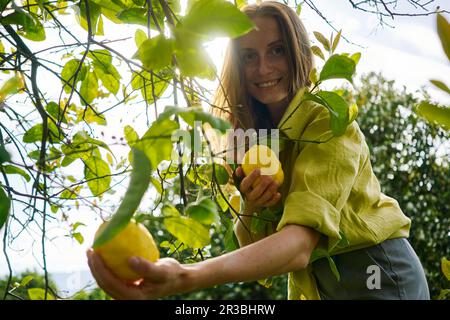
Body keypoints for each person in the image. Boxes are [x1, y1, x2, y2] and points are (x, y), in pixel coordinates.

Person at [86, 1, 430, 300]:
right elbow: (256, 256)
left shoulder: (326, 119)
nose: (263, 68)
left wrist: (186, 276)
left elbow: (297, 246)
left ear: (296, 52)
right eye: (249, 56)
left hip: (379, 276)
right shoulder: (252, 139)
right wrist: (252, 203)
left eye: (277, 50)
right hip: (322, 287)